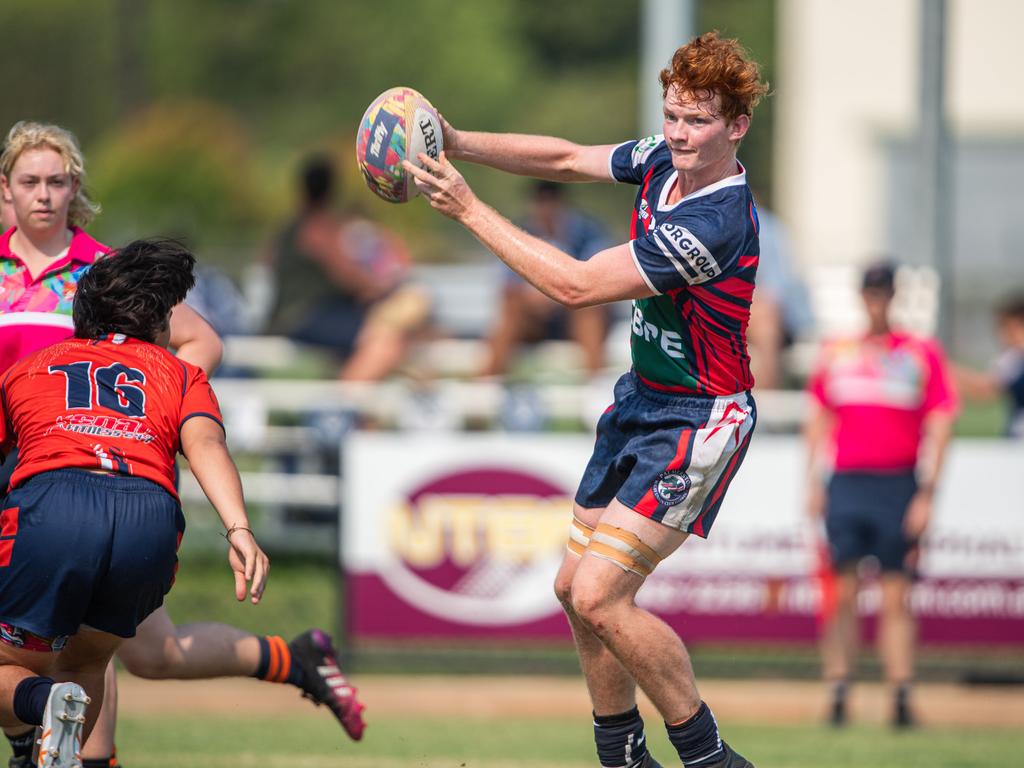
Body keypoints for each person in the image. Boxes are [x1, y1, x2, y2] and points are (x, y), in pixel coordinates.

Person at [403, 31, 766, 768]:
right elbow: (568, 159)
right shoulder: (665, 162)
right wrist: (462, 141)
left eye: (697, 121)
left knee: (601, 594)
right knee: (574, 588)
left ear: (738, 126)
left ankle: (709, 757)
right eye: (672, 115)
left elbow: (574, 287)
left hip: (701, 418)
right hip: (641, 403)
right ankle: (621, 756)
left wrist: (470, 210)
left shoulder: (715, 222)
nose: (679, 133)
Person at [0, 122, 365, 768]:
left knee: (78, 644)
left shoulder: (103, 274)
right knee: (144, 653)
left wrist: (143, 415)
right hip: (47, 476)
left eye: (57, 182)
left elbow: (203, 345)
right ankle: (297, 657)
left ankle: (62, 747)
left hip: (72, 477)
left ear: (75, 189)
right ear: (7, 189)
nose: (44, 196)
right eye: (30, 182)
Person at [0, 238, 269, 767]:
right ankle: (60, 747)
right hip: (148, 518)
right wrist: (239, 530)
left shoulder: (31, 368)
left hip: (56, 503)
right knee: (85, 662)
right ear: (158, 328)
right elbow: (206, 445)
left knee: (14, 668)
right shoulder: (180, 372)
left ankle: (40, 704)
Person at [803, 262, 958, 728]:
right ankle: (838, 690)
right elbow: (819, 416)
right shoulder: (837, 351)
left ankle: (901, 694)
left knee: (896, 595)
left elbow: (941, 421)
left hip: (898, 482)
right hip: (847, 482)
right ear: (861, 296)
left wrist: (927, 493)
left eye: (883, 293)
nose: (877, 301)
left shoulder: (919, 352)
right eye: (870, 293)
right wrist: (812, 479)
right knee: (843, 593)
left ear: (893, 297)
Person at [265, 154, 430, 381]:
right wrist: (384, 288)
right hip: (306, 317)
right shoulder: (319, 228)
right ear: (332, 190)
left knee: (387, 338)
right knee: (386, 341)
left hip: (291, 317)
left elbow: (267, 261)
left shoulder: (289, 228)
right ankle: (339, 411)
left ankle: (347, 405)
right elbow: (348, 276)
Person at [483, 180, 611, 378]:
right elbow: (508, 284)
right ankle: (487, 382)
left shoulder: (587, 234)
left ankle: (595, 384)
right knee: (512, 304)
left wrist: (555, 294)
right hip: (534, 316)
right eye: (541, 201)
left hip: (575, 311)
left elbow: (598, 280)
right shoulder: (519, 234)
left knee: (589, 308)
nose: (546, 208)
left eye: (551, 201)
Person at [744, 195, 814, 389]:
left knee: (767, 321)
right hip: (735, 310)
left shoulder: (767, 227)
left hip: (768, 316)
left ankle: (763, 410)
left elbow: (776, 292)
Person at [954, 294, 1024, 438]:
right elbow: (984, 388)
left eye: (1006, 327)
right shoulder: (1013, 359)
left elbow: (984, 390)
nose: (1001, 335)